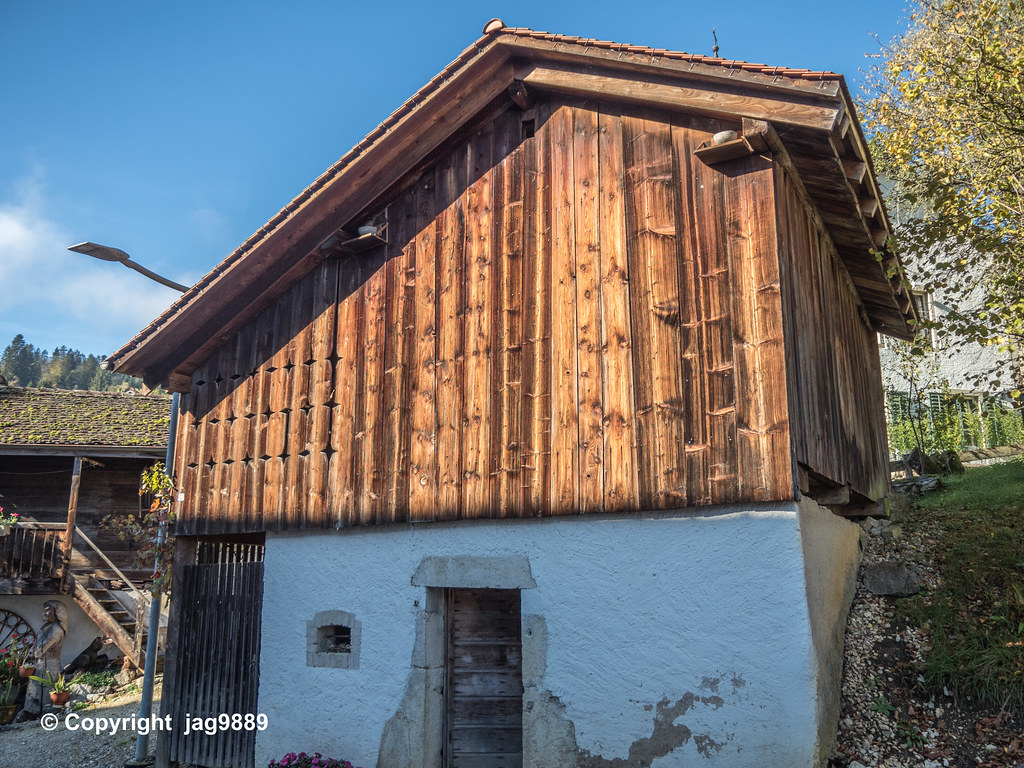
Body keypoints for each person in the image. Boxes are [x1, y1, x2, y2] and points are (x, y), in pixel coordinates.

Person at [15, 600, 69, 720]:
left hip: (50, 664)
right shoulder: (45, 628)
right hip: (40, 664)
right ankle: (31, 711)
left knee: (46, 689)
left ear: (57, 613)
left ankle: (46, 710)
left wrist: (37, 650)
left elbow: (40, 650)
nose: (44, 614)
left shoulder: (57, 629)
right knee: (35, 688)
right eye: (44, 610)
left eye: (48, 610)